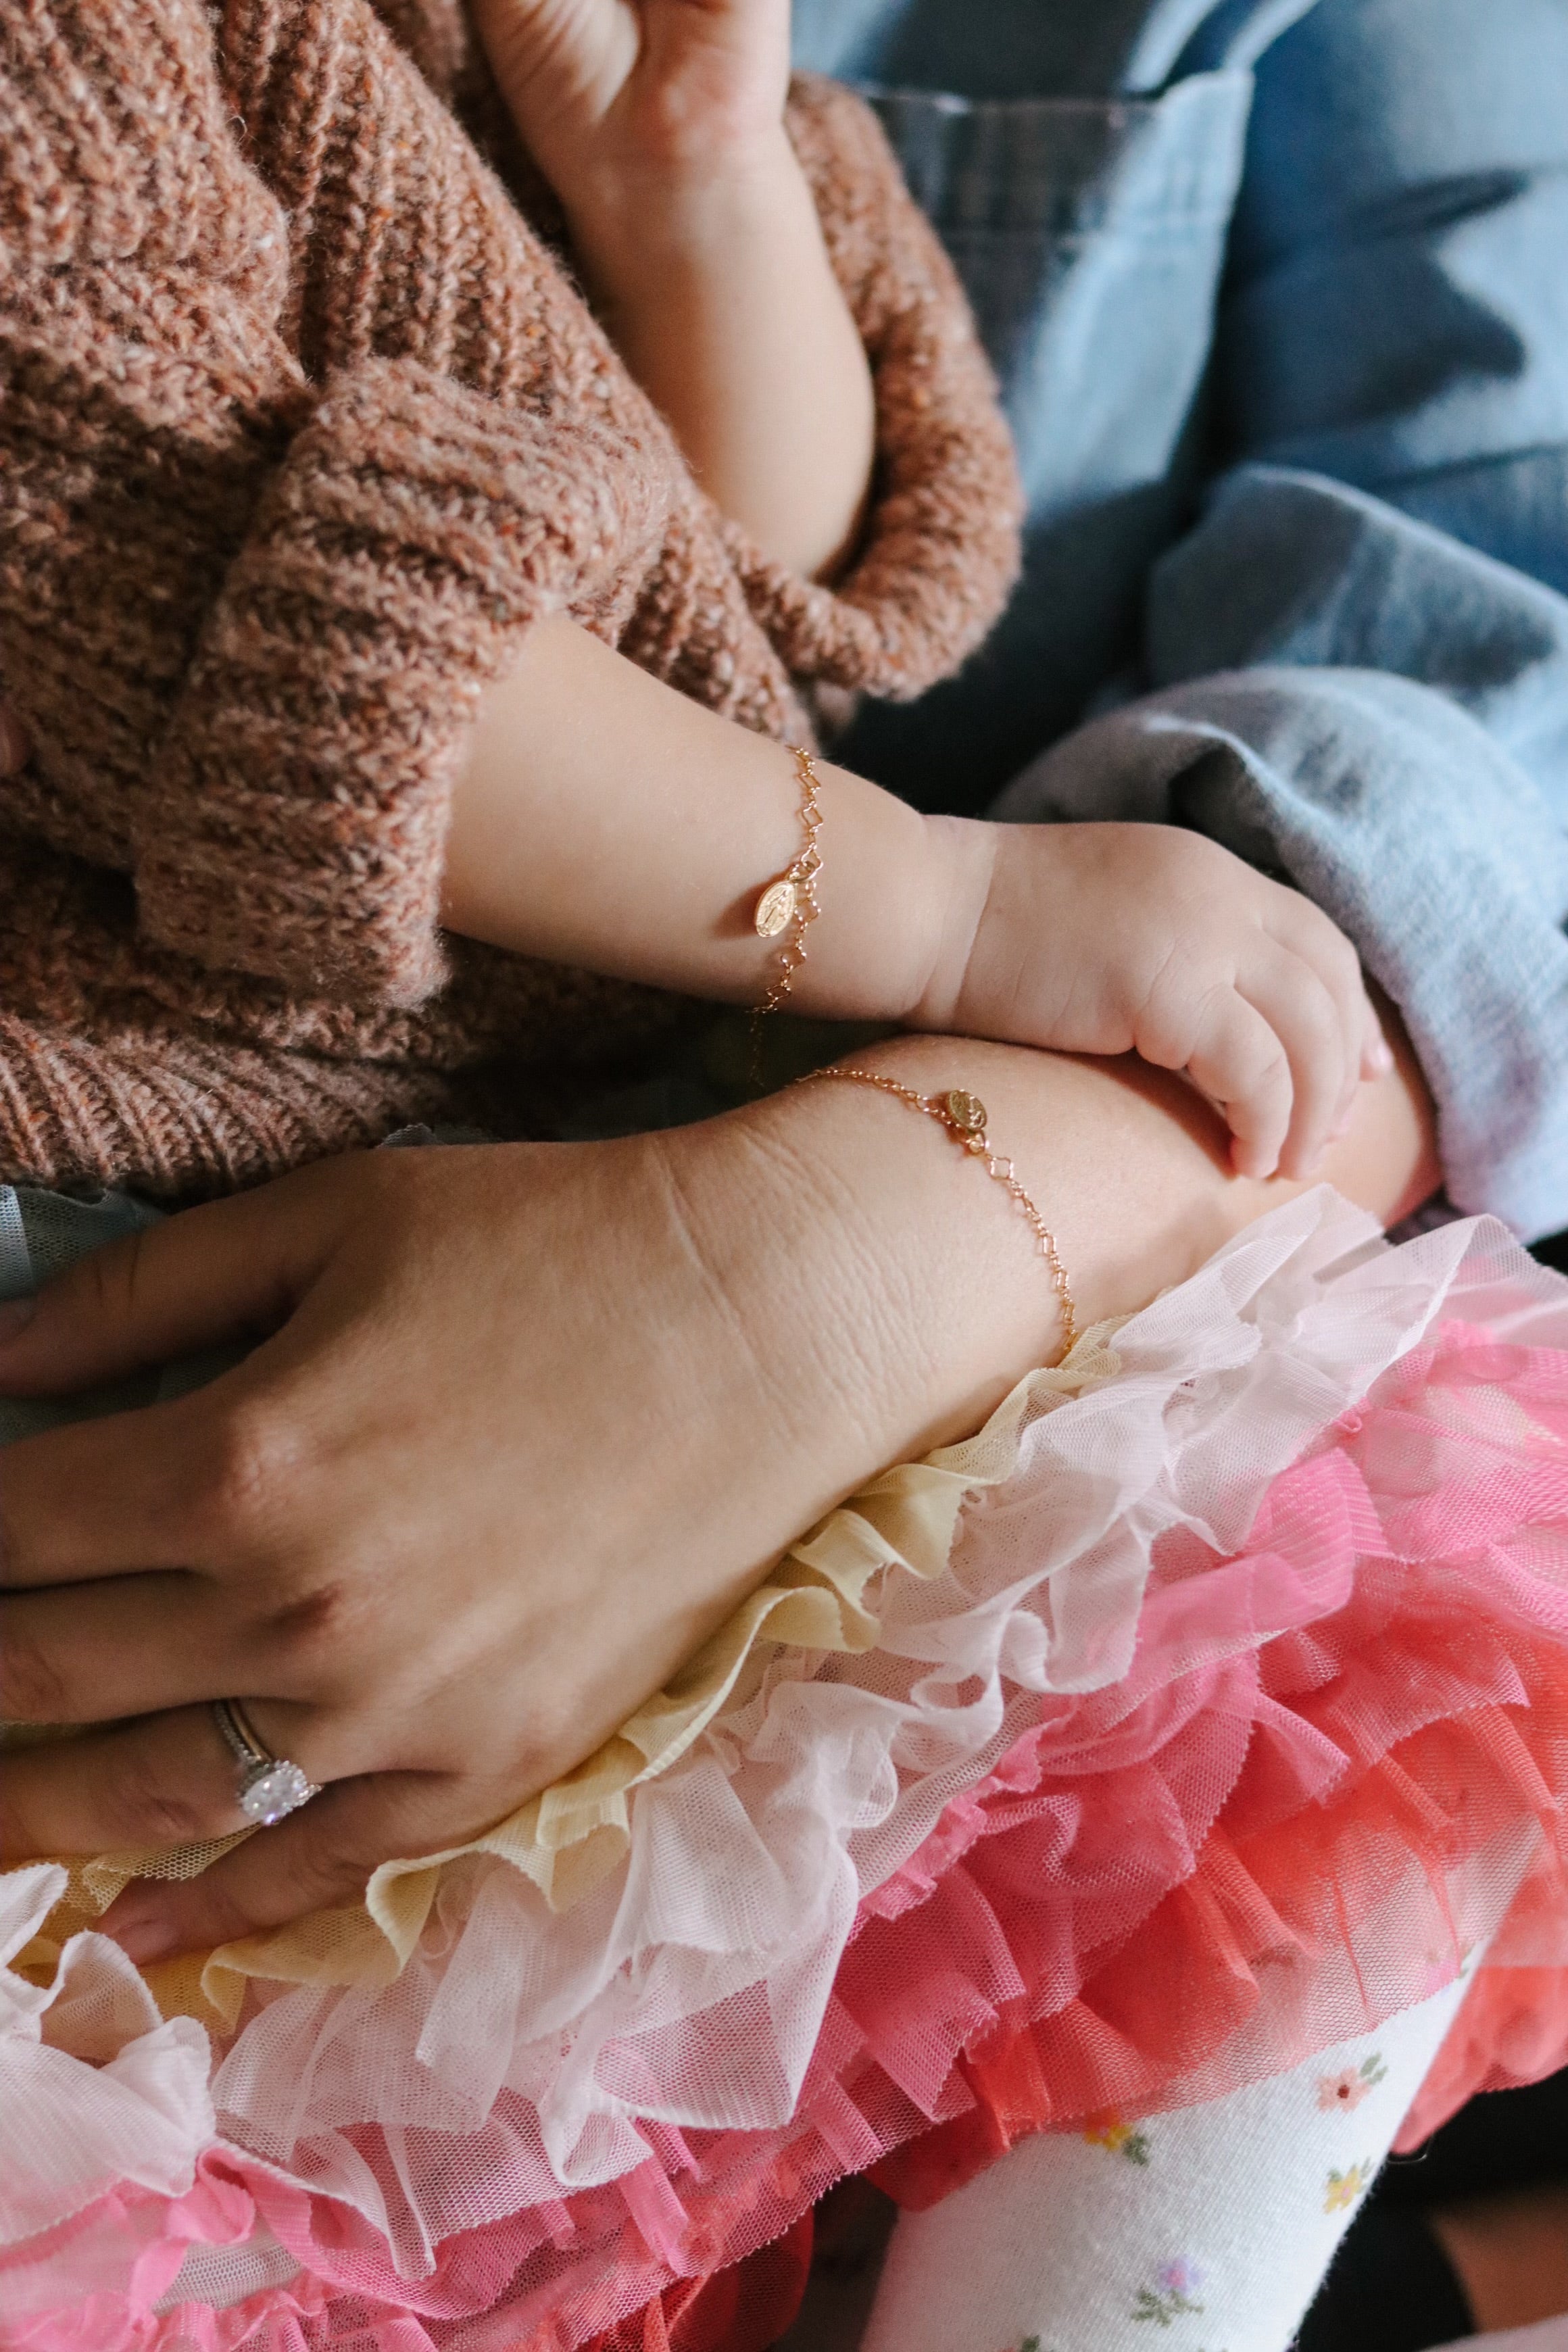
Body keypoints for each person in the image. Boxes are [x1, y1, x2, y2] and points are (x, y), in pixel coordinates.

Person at [1, 5, 1566, 2352]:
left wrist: (699, 194)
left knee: (1340, 1576)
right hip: (169, 1246)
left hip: (715, 1205)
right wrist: (949, 909)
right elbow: (198, 595)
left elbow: (786, 621)